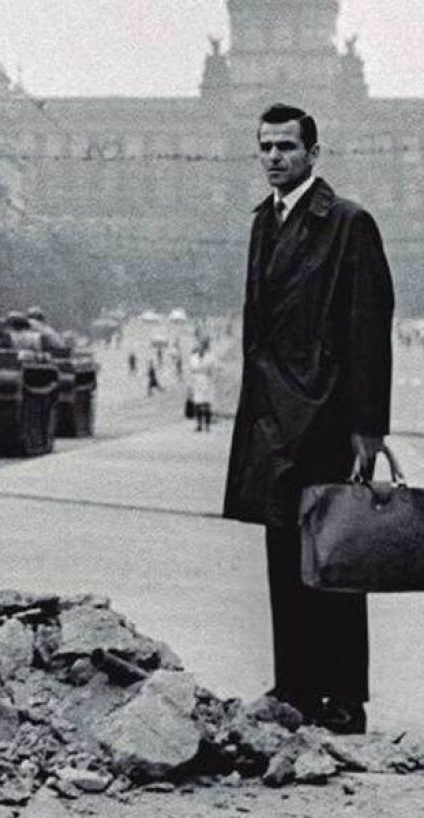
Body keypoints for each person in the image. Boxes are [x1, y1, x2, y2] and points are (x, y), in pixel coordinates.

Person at [223, 103, 394, 734]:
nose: (274, 157)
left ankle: (344, 697)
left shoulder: (348, 223)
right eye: (265, 146)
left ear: (313, 154)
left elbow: (369, 328)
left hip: (326, 416)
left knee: (336, 558)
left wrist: (368, 427)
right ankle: (295, 684)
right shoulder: (263, 222)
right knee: (282, 554)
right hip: (273, 418)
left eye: (287, 147)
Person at [188, 338, 215, 431]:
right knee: (197, 404)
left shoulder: (210, 357)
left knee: (207, 404)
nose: (200, 349)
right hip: (196, 381)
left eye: (202, 347)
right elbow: (191, 370)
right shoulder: (193, 358)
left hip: (206, 381)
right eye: (199, 347)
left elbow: (212, 370)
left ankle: (207, 425)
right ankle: (199, 425)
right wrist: (191, 385)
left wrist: (211, 380)